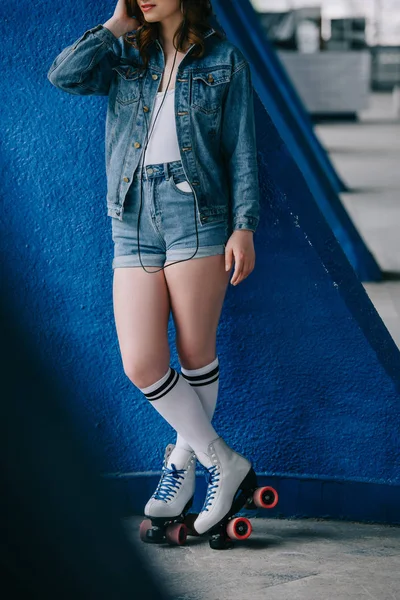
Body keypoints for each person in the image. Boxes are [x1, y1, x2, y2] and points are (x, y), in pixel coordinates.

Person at [47, 0, 260, 537]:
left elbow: (241, 150)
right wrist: (116, 26)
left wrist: (244, 226)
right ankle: (220, 462)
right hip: (132, 216)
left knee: (194, 356)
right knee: (141, 363)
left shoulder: (225, 60)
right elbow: (63, 75)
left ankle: (180, 467)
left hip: (198, 213)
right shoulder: (124, 55)